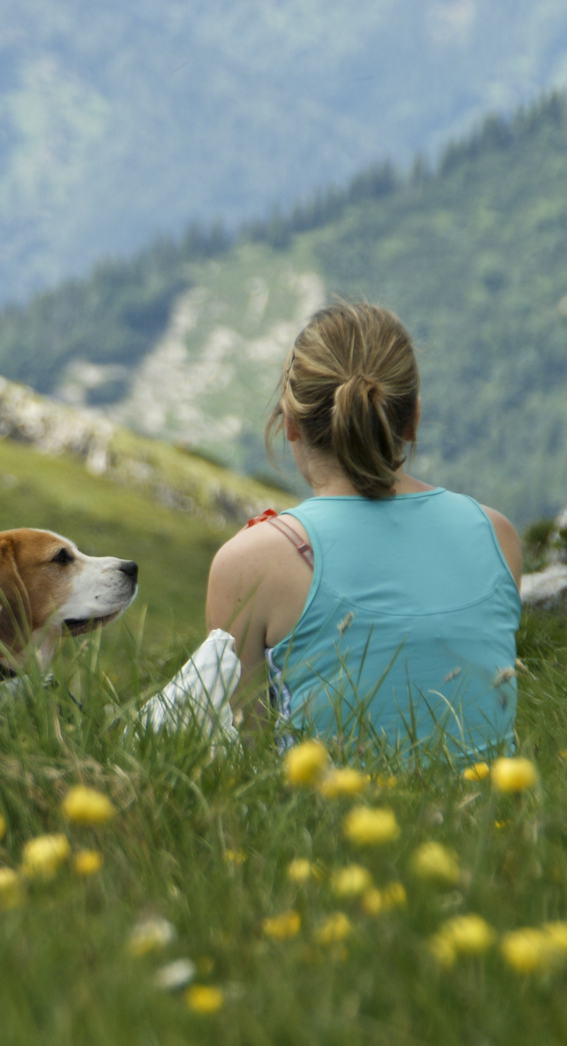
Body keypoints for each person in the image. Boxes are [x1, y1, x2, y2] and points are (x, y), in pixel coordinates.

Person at [201, 302, 524, 761]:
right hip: (496, 823)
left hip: (336, 826)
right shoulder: (497, 535)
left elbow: (244, 757)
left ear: (290, 423)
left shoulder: (249, 562)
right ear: (412, 419)